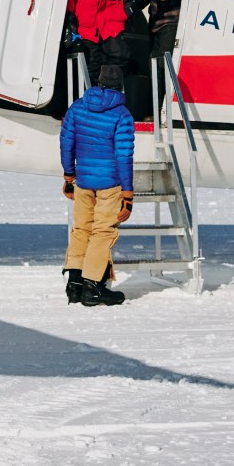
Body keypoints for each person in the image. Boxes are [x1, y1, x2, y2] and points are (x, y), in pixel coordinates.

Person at [58, 63, 136, 307]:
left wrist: (69, 175)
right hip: (110, 184)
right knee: (103, 232)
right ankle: (93, 287)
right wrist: (128, 193)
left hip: (83, 180)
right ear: (120, 85)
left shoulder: (77, 108)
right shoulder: (122, 114)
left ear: (97, 82)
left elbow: (66, 143)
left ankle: (74, 285)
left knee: (81, 229)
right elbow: (124, 156)